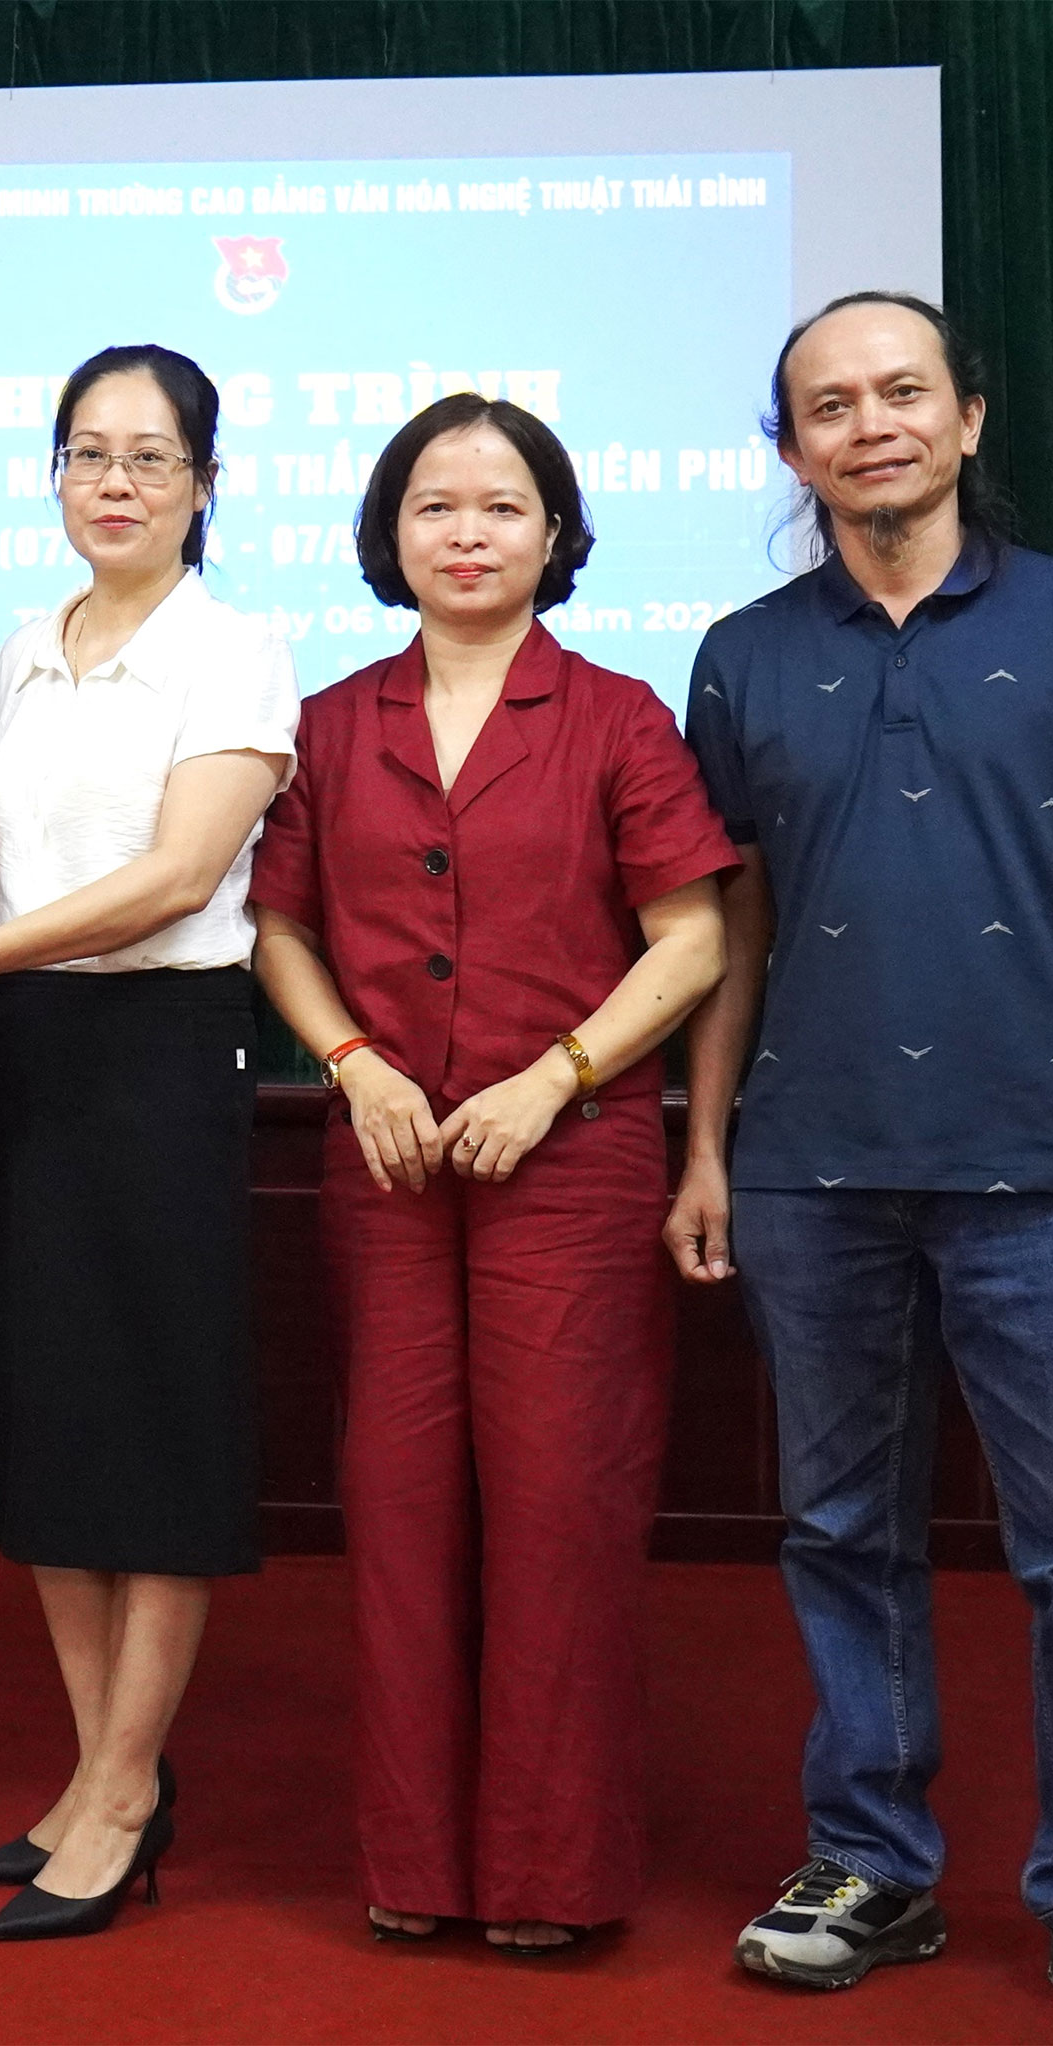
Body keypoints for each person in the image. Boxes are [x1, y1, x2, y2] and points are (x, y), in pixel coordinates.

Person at [672, 291, 1053, 2045]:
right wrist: (707, 1143)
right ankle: (872, 1858)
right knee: (841, 1531)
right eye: (829, 406)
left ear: (968, 417)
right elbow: (732, 925)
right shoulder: (742, 655)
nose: (871, 425)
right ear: (789, 449)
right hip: (811, 1169)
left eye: (903, 392)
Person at [248, 394, 734, 1955]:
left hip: (572, 1166)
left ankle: (549, 1870)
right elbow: (278, 927)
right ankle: (414, 1857)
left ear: (556, 533)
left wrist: (555, 1075)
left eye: (503, 505)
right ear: (388, 532)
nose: (468, 532)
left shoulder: (618, 716)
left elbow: (694, 939)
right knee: (398, 1512)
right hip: (388, 1161)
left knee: (559, 1514)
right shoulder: (331, 723)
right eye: (436, 505)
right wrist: (354, 1062)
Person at [0, 343, 297, 1942]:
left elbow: (174, 879)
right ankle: (105, 1769)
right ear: (52, 474)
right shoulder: (27, 644)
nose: (115, 483)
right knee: (45, 1411)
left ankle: (120, 1788)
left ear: (204, 485)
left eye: (151, 458)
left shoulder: (235, 649)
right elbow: (18, 871)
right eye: (88, 453)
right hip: (26, 1044)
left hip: (160, 1051)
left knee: (151, 1418)